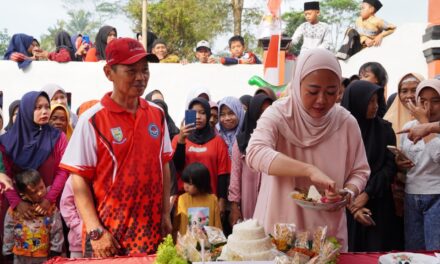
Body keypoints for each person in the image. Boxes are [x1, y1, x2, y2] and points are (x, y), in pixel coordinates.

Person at [246, 49, 370, 251]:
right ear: (297, 84)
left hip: (326, 231)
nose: (321, 100)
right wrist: (309, 170)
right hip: (281, 227)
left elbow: (360, 171)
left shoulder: (346, 122)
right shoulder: (278, 115)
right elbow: (255, 153)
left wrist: (347, 192)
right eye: (313, 91)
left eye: (331, 92)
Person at [60, 38, 173, 257]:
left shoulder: (157, 115)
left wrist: (165, 214)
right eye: (131, 71)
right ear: (108, 72)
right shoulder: (92, 120)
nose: (141, 78)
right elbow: (78, 179)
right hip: (107, 237)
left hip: (148, 233)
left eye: (145, 70)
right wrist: (95, 230)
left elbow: (164, 165)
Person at [341, 80, 401, 251]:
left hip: (378, 202)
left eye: (377, 101)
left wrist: (368, 193)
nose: (375, 106)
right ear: (357, 102)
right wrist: (352, 203)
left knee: (378, 251)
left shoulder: (384, 130)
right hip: (347, 203)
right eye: (370, 101)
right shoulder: (340, 132)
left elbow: (389, 167)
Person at [0, 91, 69, 220]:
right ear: (26, 110)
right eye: (38, 108)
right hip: (16, 210)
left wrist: (48, 199)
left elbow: (63, 171)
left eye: (47, 107)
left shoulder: (58, 137)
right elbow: (5, 175)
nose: (45, 111)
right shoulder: (6, 141)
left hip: (49, 206)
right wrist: (17, 202)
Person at [399, 79, 440, 251]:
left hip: (436, 194)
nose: (428, 107)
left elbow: (438, 156)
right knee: (414, 251)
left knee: (434, 251)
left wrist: (426, 126)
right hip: (411, 194)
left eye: (436, 101)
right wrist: (400, 161)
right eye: (422, 101)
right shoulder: (409, 127)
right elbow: (405, 156)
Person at [172, 97, 230, 210]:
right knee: (185, 228)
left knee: (209, 228)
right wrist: (181, 141)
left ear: (208, 115)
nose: (198, 117)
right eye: (194, 113)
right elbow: (176, 167)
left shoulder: (218, 141)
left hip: (210, 201)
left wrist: (222, 200)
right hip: (185, 200)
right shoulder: (177, 139)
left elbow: (222, 174)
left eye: (202, 113)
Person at [229, 94, 273, 226]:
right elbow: (235, 176)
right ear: (253, 113)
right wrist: (234, 207)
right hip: (248, 200)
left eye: (269, 112)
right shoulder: (241, 142)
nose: (265, 116)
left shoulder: (279, 140)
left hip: (270, 200)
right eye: (261, 112)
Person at [2, 169, 64, 264]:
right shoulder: (14, 210)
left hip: (44, 256)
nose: (40, 193)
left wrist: (56, 250)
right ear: (23, 194)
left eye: (42, 187)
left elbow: (57, 229)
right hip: (20, 256)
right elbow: (8, 229)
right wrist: (7, 250)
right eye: (34, 192)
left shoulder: (51, 208)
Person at [173, 162, 222, 236]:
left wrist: (219, 245)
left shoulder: (212, 200)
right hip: (186, 244)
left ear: (201, 183)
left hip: (207, 245)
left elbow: (217, 226)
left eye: (190, 184)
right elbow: (177, 224)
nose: (185, 186)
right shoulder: (182, 199)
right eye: (185, 182)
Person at [384, 73, 425, 147]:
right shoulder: (387, 121)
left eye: (414, 90)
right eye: (404, 91)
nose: (409, 95)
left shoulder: (434, 118)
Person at [60, 176, 83, 258]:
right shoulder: (74, 179)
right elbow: (66, 205)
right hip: (78, 243)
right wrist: (79, 229)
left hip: (106, 241)